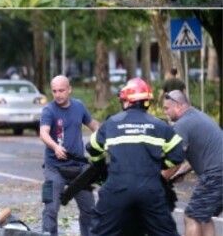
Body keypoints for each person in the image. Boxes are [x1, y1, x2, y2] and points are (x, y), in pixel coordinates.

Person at [87, 78, 185, 236]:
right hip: (150, 189)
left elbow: (92, 148)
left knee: (101, 232)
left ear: (126, 101)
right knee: (165, 232)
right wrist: (159, 165)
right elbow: (178, 155)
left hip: (117, 188)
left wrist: (100, 167)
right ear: (147, 102)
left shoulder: (111, 124)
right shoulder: (160, 126)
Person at [39, 75, 101, 236]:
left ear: (69, 90)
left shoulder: (79, 106)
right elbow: (43, 133)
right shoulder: (49, 110)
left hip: (79, 168)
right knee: (50, 209)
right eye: (54, 91)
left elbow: (94, 125)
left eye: (61, 90)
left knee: (90, 209)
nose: (58, 94)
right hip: (55, 169)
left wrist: (109, 136)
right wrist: (55, 147)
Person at [163, 90, 222, 236]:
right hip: (219, 170)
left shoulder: (182, 125)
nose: (165, 113)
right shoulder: (197, 116)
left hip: (215, 173)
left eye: (166, 108)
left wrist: (159, 179)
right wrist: (182, 171)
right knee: (204, 217)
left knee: (191, 216)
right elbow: (202, 153)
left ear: (178, 106)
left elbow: (175, 160)